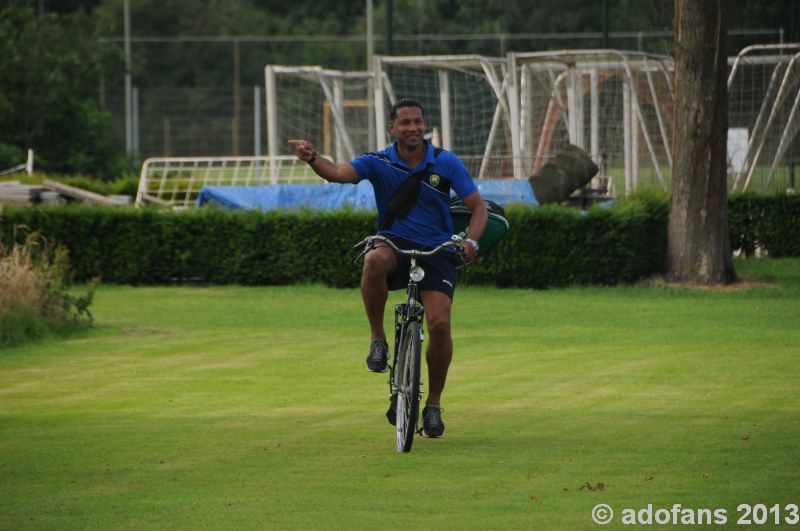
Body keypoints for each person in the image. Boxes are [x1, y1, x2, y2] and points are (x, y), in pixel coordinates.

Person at [288, 98, 487, 438]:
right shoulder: (379, 162)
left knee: (439, 324)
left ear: (425, 125)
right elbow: (338, 173)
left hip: (436, 250)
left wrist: (471, 242)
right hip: (394, 243)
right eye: (405, 122)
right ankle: (378, 339)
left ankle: (434, 406)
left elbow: (478, 208)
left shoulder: (445, 162)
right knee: (373, 258)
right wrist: (313, 158)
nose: (413, 128)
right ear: (392, 128)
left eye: (418, 122)